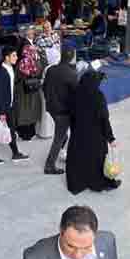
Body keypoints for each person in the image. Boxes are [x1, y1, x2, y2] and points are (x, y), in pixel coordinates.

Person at [66, 66, 119, 193]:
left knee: (79, 159)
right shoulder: (98, 96)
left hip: (78, 134)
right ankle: (95, 182)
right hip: (95, 136)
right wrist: (111, 138)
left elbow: (71, 115)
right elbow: (104, 119)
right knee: (95, 160)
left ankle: (79, 183)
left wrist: (74, 131)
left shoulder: (75, 94)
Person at [0, 46, 29, 164]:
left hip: (8, 106)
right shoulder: (1, 72)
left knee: (11, 129)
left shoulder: (10, 68)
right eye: (14, 55)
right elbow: (0, 93)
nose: (16, 57)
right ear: (7, 57)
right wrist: (2, 112)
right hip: (1, 108)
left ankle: (15, 153)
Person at [42, 45, 78, 176]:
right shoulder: (72, 74)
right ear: (71, 57)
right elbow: (76, 94)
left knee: (62, 134)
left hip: (52, 108)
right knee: (59, 137)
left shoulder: (51, 70)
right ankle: (49, 165)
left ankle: (59, 153)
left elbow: (44, 87)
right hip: (63, 111)